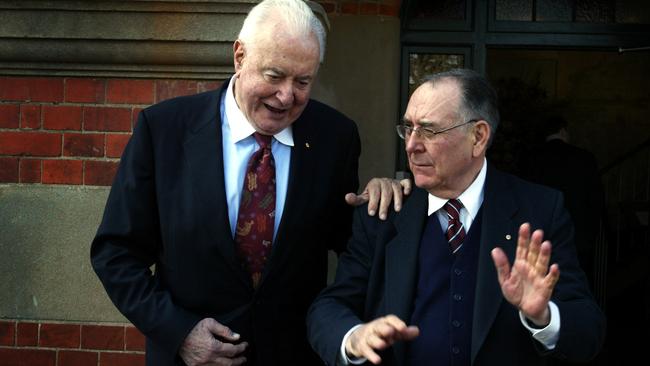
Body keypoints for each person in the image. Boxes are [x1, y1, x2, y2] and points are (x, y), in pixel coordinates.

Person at [90, 1, 407, 365]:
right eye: (274, 76)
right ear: (239, 57)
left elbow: (346, 241)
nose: (287, 96)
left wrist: (378, 204)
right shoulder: (163, 131)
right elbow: (115, 254)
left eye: (302, 82)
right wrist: (178, 331)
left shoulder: (335, 137)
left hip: (293, 355)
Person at [307, 69, 606, 366]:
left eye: (429, 130)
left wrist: (543, 317)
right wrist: (354, 336)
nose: (412, 145)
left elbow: (588, 330)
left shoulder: (539, 210)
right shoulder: (384, 214)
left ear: (478, 137)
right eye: (408, 128)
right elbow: (329, 307)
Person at [523, 115, 605, 291]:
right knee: (577, 288)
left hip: (539, 236)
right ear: (563, 131)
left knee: (540, 289)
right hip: (578, 237)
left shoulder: (531, 159)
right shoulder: (584, 158)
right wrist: (592, 233)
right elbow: (596, 200)